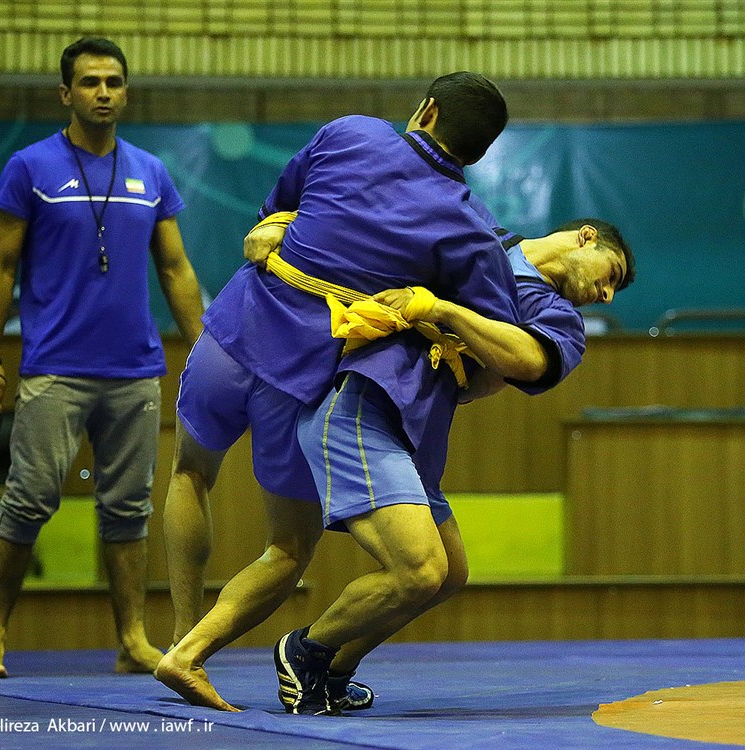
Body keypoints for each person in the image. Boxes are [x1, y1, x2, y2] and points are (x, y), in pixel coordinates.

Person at [156, 215, 634, 714]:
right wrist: (282, 219)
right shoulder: (474, 233)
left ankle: (323, 668)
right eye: (612, 275)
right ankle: (271, 651)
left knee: (445, 573)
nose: (607, 296)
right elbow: (364, 213)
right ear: (586, 236)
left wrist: (442, 312)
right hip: (357, 394)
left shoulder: (553, 314)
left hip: (398, 418)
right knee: (393, 566)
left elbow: (529, 362)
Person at [154, 73, 516, 706]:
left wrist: (285, 232)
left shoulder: (351, 133)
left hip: (235, 329)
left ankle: (178, 634)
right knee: (288, 548)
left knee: (188, 473)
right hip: (299, 375)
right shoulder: (469, 226)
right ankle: (190, 655)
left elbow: (274, 213)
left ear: (427, 110)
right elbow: (497, 344)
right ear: (480, 152)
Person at [0, 36, 204, 678]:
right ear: (65, 93)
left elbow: (176, 269)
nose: (104, 93)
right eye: (91, 82)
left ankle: (132, 639)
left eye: (114, 82)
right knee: (29, 499)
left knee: (128, 509)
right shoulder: (29, 167)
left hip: (135, 370)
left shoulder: (150, 171)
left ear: (126, 93)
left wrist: (206, 350)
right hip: (55, 368)